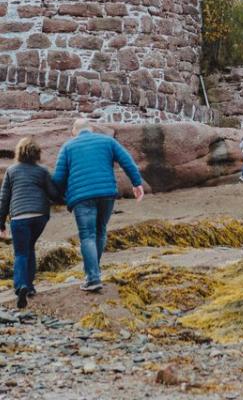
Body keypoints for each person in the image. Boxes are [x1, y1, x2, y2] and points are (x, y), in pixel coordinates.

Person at [52, 118, 144, 292]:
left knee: (87, 235)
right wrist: (137, 183)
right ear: (92, 129)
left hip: (81, 197)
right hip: (106, 194)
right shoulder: (108, 141)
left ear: (74, 131)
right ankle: (93, 273)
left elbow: (58, 178)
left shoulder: (68, 147)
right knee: (100, 231)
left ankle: (93, 277)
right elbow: (127, 161)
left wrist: (59, 197)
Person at [0, 138, 62, 309]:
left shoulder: (11, 171)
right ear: (37, 153)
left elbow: (4, 198)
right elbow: (53, 194)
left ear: (19, 152)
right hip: (40, 216)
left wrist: (1, 222)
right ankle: (30, 286)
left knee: (21, 253)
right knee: (30, 247)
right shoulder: (42, 171)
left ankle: (21, 286)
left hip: (20, 217)